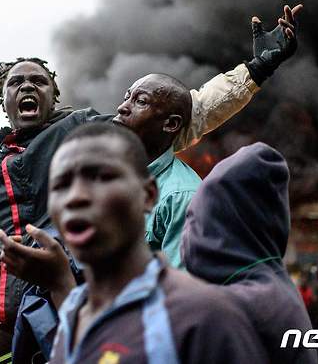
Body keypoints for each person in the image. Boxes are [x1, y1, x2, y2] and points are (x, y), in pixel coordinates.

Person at [0, 4, 302, 361]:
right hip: (21, 322)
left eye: (38, 80)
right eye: (15, 82)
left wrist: (257, 69)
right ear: (1, 98)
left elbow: (189, 111)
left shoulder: (97, 138)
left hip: (83, 324)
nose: (75, 197)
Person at [44, 122, 267, 363]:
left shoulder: (204, 316)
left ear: (149, 195)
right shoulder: (72, 313)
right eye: (61, 185)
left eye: (102, 177)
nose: (75, 197)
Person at [181, 142, 318, 364]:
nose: (188, 234)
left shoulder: (239, 306)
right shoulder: (272, 288)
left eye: (196, 220)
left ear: (225, 227)